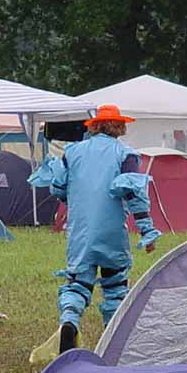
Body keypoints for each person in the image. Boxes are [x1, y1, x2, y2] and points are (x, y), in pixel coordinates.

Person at [30, 104, 161, 354]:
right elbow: (135, 194)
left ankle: (69, 321)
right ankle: (112, 339)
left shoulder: (73, 152)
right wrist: (147, 231)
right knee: (115, 285)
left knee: (77, 283)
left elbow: (58, 188)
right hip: (112, 231)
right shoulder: (126, 154)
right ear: (120, 127)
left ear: (94, 126)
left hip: (80, 232)